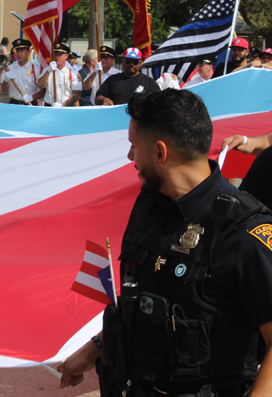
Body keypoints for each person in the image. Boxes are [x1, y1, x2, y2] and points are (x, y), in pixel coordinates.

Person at [58, 89, 272, 397]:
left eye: (134, 146)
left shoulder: (243, 232)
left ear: (160, 152)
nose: (130, 156)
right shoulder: (150, 208)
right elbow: (149, 303)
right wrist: (95, 348)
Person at [95, 48, 160, 106]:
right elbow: (98, 98)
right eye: (128, 61)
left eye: (135, 61)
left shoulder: (149, 82)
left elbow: (158, 101)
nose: (131, 64)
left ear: (140, 63)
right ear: (123, 61)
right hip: (116, 117)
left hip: (138, 118)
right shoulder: (112, 80)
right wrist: (104, 100)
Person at [0, 39, 45, 105]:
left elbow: (43, 90)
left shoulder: (36, 69)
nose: (19, 54)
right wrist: (6, 80)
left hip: (30, 104)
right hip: (14, 104)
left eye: (22, 51)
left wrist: (31, 98)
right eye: (17, 51)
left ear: (29, 51)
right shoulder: (10, 68)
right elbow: (3, 90)